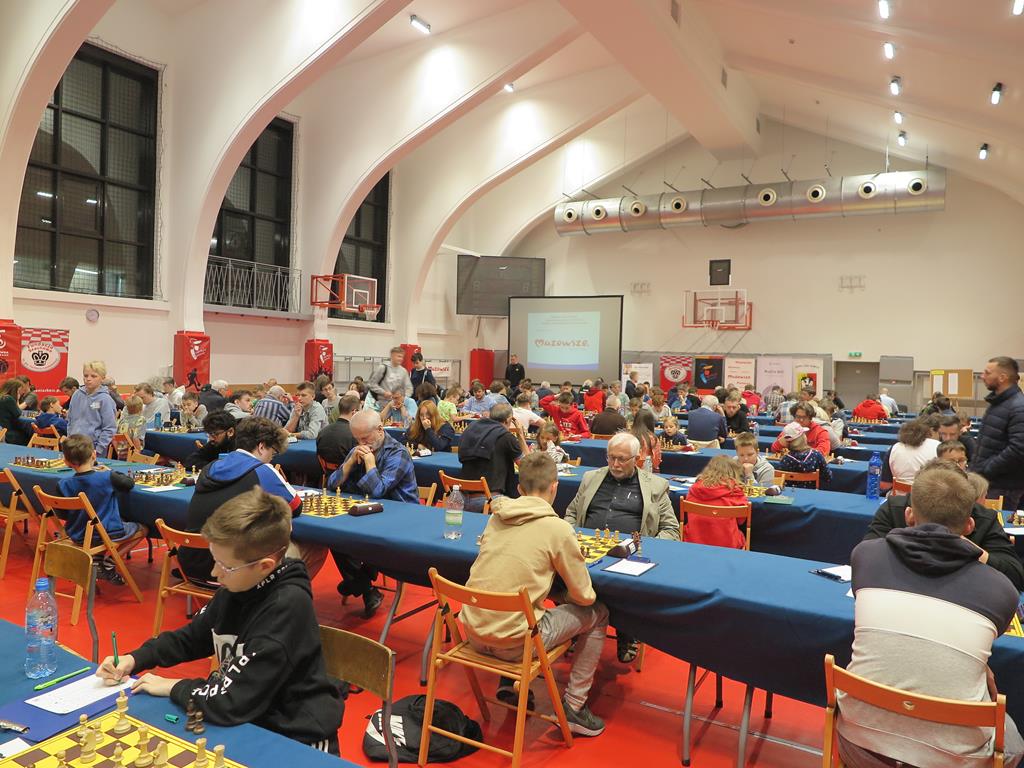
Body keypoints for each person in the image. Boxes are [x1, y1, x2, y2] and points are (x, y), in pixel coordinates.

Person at [96, 487, 344, 754]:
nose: (215, 573)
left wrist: (174, 686)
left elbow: (231, 701)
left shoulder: (285, 608)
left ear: (265, 566)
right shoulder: (238, 587)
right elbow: (191, 638)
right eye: (214, 560)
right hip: (250, 719)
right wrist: (136, 658)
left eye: (225, 566)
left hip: (297, 737)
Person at [839, 462, 1024, 768]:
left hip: (859, 740)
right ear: (969, 526)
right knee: (1013, 743)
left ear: (910, 515)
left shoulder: (866, 557)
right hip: (956, 758)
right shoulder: (1001, 590)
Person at [461, 451, 608, 736]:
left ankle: (508, 683)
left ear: (519, 488)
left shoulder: (496, 518)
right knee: (598, 612)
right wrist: (565, 597)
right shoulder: (558, 529)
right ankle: (574, 707)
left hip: (474, 633)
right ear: (555, 487)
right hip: (516, 644)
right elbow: (585, 596)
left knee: (522, 605)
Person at [564, 432, 677, 663]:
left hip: (629, 558)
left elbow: (671, 530)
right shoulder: (590, 478)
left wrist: (642, 550)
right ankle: (576, 624)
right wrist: (569, 537)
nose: (615, 464)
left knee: (623, 587)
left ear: (636, 459)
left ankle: (627, 629)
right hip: (588, 552)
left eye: (622, 459)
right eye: (611, 457)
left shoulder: (655, 486)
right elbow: (571, 514)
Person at [181, 417, 320, 584]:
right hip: (233, 569)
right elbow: (296, 507)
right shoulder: (262, 470)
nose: (272, 458)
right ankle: (274, 596)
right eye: (273, 452)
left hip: (190, 563)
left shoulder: (211, 467)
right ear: (261, 447)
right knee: (315, 547)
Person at [327, 410, 418, 615]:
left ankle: (358, 583)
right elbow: (332, 485)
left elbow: (377, 491)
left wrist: (370, 464)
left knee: (368, 540)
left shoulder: (398, 453)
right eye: (357, 439)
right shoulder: (358, 449)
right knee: (333, 535)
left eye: (365, 438)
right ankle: (366, 587)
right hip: (369, 514)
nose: (361, 444)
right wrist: (349, 463)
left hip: (401, 516)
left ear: (380, 430)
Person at [58, 434, 141, 583]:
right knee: (144, 529)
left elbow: (63, 514)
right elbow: (129, 483)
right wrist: (110, 471)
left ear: (66, 461)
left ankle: (98, 560)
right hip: (105, 533)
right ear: (94, 455)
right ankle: (109, 563)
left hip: (77, 533)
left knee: (108, 521)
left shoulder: (63, 484)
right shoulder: (106, 477)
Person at [972, 356, 1024, 512]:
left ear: (1002, 377)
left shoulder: (1018, 406)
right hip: (990, 482)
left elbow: (1018, 449)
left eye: (987, 373)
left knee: (996, 525)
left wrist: (986, 469)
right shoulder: (999, 403)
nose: (982, 376)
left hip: (1002, 486)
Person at [458, 402, 530, 511]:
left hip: (460, 498)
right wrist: (520, 435)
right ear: (509, 420)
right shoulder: (506, 437)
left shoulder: (470, 430)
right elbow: (528, 467)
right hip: (490, 500)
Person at [684, 455, 748, 549]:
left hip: (692, 541)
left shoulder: (694, 490)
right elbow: (741, 520)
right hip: (728, 544)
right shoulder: (735, 492)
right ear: (734, 472)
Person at [67, 361, 117, 457]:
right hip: (74, 445)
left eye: (93, 376)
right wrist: (70, 438)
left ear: (102, 378)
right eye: (85, 376)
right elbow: (70, 420)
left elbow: (109, 428)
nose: (88, 379)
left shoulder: (105, 399)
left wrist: (99, 449)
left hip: (93, 448)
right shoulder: (77, 395)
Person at [776, 422, 831, 488]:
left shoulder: (785, 459)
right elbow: (828, 477)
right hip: (812, 493)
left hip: (790, 492)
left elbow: (779, 481)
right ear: (803, 437)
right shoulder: (816, 455)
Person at [888, 417, 939, 484]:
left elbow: (885, 484)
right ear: (929, 432)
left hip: (899, 490)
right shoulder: (937, 446)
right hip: (929, 490)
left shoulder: (895, 447)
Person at [316, 393, 359, 467]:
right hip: (349, 473)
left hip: (326, 471)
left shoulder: (322, 432)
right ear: (354, 412)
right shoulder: (355, 434)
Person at [0, 379, 29, 445]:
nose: (20, 393)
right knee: (27, 434)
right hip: (7, 433)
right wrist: (17, 399)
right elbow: (18, 413)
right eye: (19, 391)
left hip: (2, 430)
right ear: (15, 390)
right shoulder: (8, 399)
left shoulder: (2, 397)